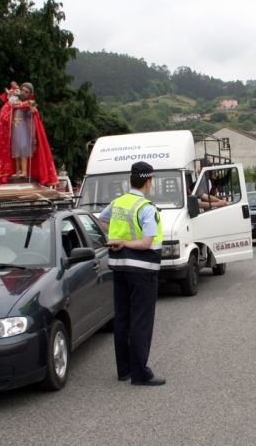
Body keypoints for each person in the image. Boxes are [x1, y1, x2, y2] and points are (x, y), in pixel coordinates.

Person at [99, 161, 165, 386]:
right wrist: (127, 241)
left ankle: (124, 370)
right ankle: (140, 374)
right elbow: (147, 243)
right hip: (143, 271)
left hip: (119, 268)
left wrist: (118, 240)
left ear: (131, 181)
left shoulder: (118, 202)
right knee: (141, 321)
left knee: (123, 318)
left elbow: (102, 220)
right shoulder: (147, 208)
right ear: (148, 182)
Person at [0, 81, 58, 188]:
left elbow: (35, 112)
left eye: (26, 92)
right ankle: (17, 171)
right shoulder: (13, 102)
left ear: (29, 94)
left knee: (23, 149)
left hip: (24, 130)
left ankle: (24, 172)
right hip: (15, 129)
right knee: (16, 150)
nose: (24, 93)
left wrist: (31, 109)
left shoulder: (30, 102)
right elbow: (5, 114)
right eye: (23, 91)